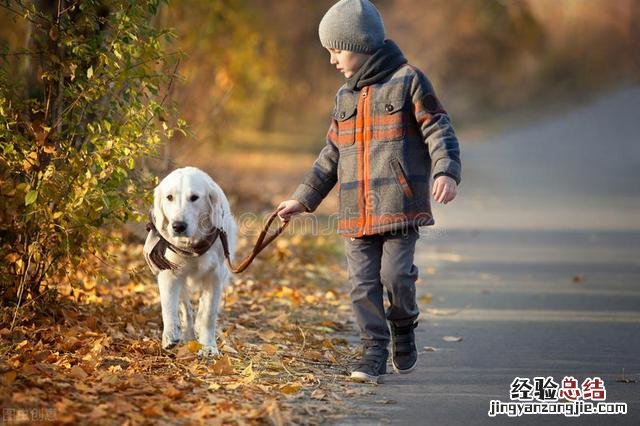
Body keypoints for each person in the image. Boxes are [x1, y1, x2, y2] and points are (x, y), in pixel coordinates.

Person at [276, 0, 461, 383]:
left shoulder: (409, 80)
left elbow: (438, 127)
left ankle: (404, 325)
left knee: (396, 277)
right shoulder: (343, 98)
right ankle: (373, 352)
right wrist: (302, 198)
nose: (331, 61)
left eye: (336, 51)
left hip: (399, 206)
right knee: (362, 286)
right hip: (354, 212)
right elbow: (330, 155)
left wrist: (446, 171)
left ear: (360, 45)